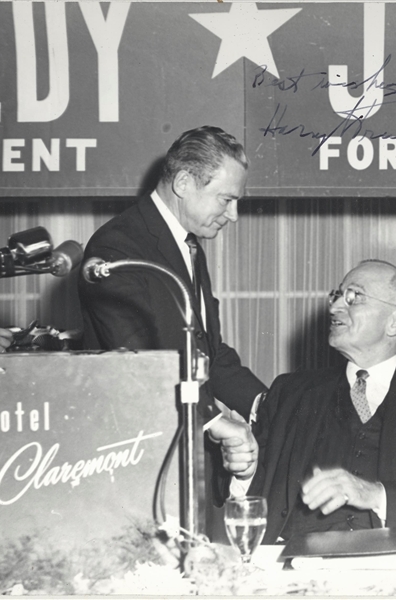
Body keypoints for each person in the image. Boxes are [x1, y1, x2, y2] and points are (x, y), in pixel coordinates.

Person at [219, 259, 396, 544]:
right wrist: (244, 471)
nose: (334, 308)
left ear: (395, 321)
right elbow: (253, 497)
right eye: (337, 295)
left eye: (354, 297)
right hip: (296, 568)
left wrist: (373, 494)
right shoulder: (290, 392)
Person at [78, 126, 267, 504]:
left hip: (184, 454)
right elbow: (143, 363)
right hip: (140, 461)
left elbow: (208, 355)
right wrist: (215, 420)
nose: (233, 215)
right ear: (183, 182)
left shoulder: (187, 244)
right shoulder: (118, 245)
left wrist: (269, 406)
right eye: (226, 199)